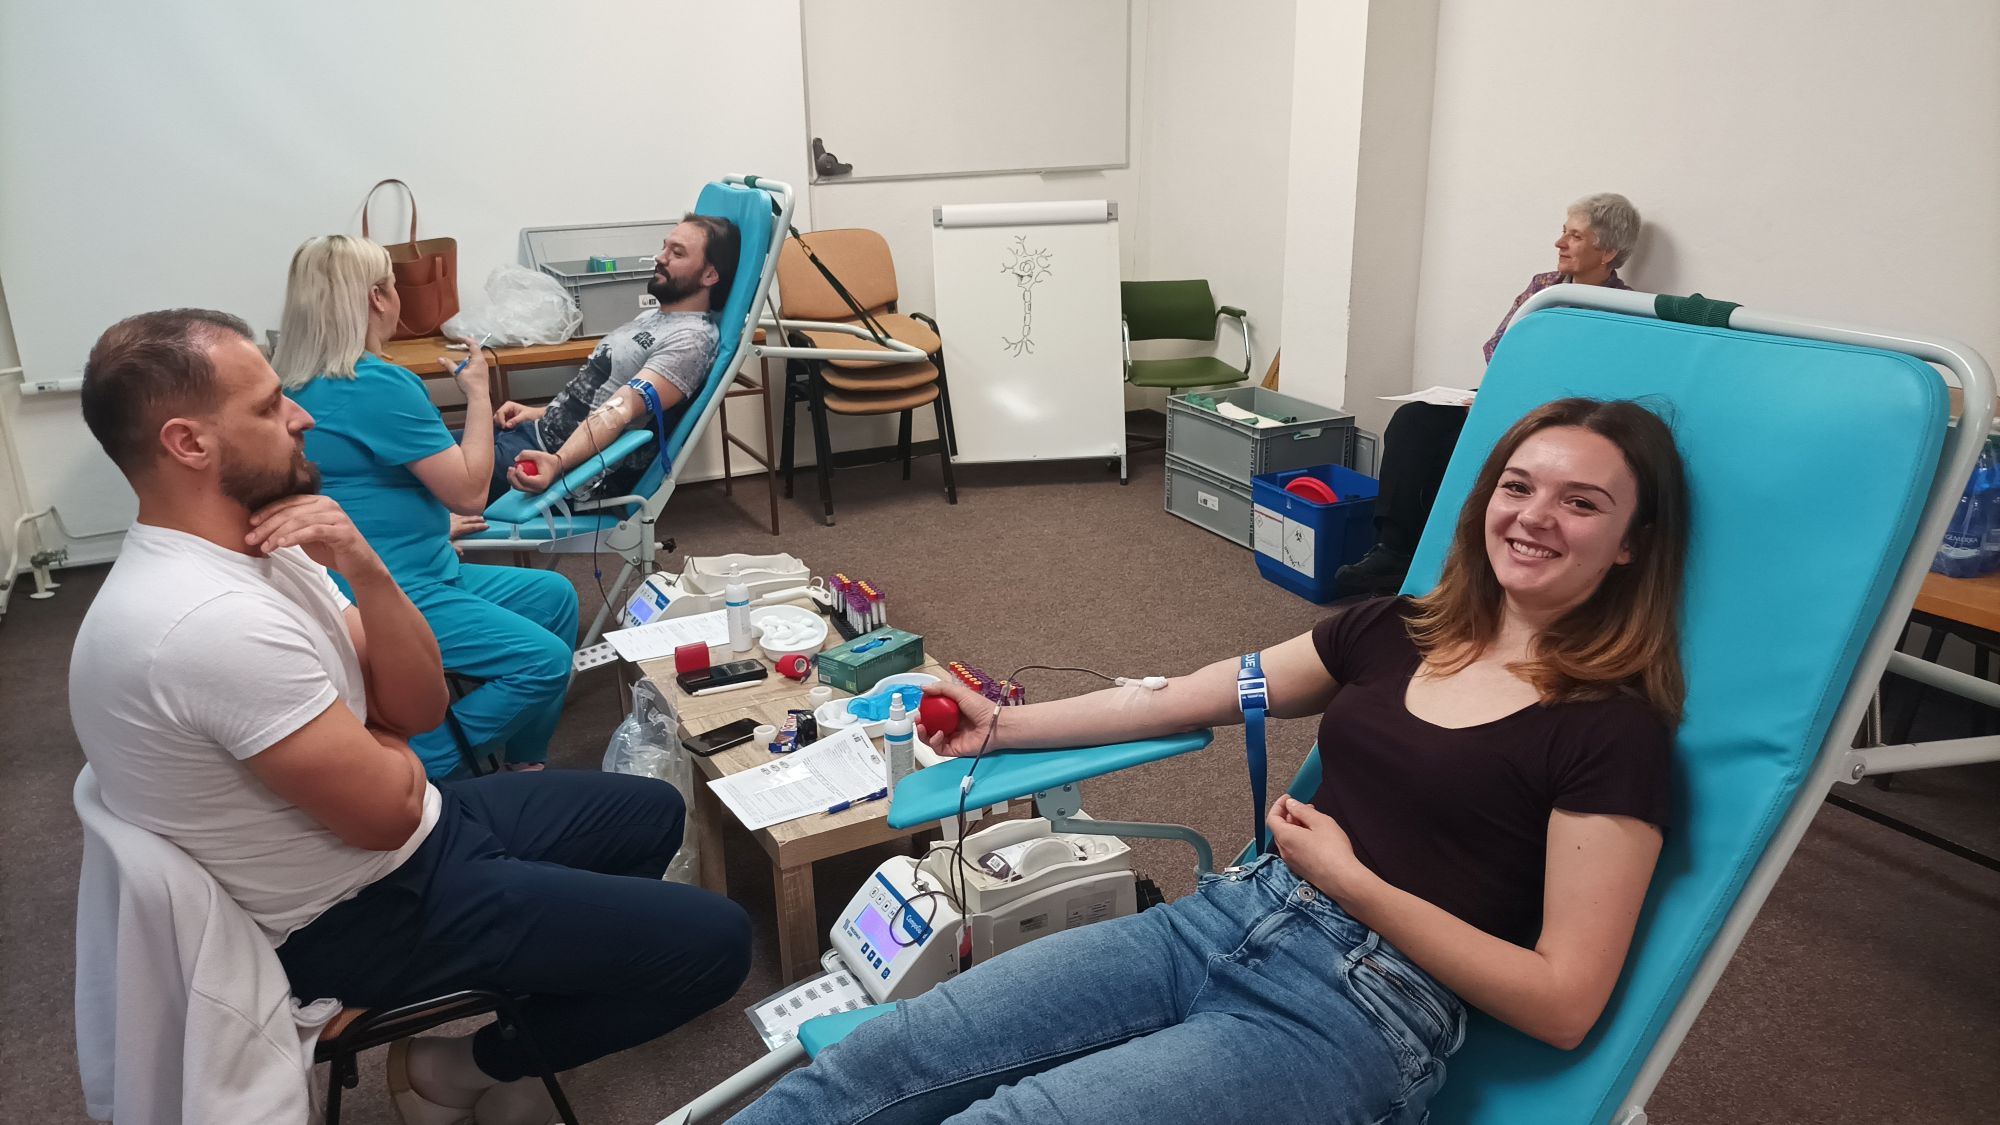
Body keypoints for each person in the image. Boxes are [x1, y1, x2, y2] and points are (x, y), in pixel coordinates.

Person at [733, 396, 1689, 1124]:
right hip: (1225, 916)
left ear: (1629, 546)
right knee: (881, 1059)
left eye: (1581, 502)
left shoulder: (1612, 731)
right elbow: (1184, 693)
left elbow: (1564, 1001)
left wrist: (1352, 882)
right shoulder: (1394, 628)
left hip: (1360, 1008)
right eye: (1519, 487)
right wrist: (1003, 728)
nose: (1535, 516)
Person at [70, 309, 751, 1125]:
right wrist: (381, 733)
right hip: (359, 906)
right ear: (188, 443)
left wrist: (364, 566)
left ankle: (542, 999)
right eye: (269, 405)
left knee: (655, 813)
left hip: (414, 833)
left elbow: (420, 705)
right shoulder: (205, 623)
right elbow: (388, 808)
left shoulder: (266, 543)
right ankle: (462, 1067)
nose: (302, 416)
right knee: (719, 944)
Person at [274, 235, 580, 778]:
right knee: (544, 662)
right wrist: (479, 394)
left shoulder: (289, 383)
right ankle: (419, 766)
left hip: (386, 568)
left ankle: (525, 763)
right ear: (377, 297)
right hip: (390, 588)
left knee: (554, 597)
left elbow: (358, 484)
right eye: (393, 286)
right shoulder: (377, 384)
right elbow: (469, 491)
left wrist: (434, 524)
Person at [1335, 192, 1642, 600]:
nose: (1560, 243)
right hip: (1507, 392)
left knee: (1467, 447)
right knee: (1416, 419)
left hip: (1563, 415)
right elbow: (1500, 347)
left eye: (1575, 236)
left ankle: (1449, 566)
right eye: (1564, 232)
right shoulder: (1544, 287)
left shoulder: (1625, 309)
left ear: (1608, 252)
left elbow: (1601, 383)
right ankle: (1393, 551)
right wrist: (1494, 395)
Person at [492, 212, 737, 502]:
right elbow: (600, 396)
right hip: (536, 434)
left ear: (709, 275)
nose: (660, 257)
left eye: (677, 252)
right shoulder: (653, 317)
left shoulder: (691, 340)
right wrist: (539, 412)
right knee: (445, 448)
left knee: (443, 466)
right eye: (664, 247)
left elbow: (621, 409)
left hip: (559, 468)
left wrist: (557, 463)